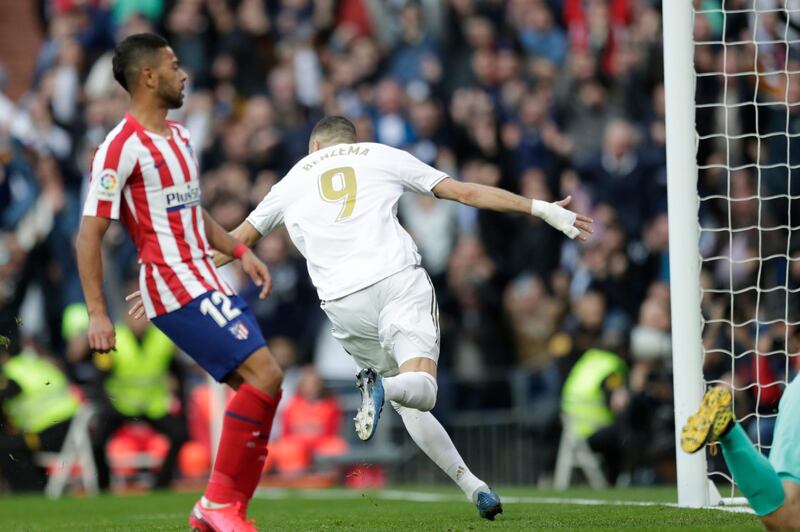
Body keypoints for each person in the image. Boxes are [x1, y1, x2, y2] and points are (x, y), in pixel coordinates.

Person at [132, 116, 593, 519]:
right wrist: (540, 208)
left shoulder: (291, 180)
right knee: (421, 388)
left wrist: (170, 278)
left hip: (343, 304)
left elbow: (237, 241)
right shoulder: (380, 154)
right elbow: (464, 191)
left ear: (315, 146)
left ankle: (472, 485)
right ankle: (385, 387)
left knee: (406, 398)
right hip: (395, 280)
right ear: (351, 140)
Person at [76, 33, 283, 531]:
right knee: (268, 376)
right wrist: (98, 314)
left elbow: (192, 210)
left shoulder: (184, 136)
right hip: (171, 282)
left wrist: (238, 248)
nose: (183, 72)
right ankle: (218, 505)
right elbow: (88, 235)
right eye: (172, 65)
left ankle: (219, 510)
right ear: (148, 76)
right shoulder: (119, 148)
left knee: (262, 389)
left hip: (205, 277)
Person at [682, 383, 800, 530]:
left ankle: (728, 429)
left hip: (795, 394)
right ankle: (728, 431)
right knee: (789, 520)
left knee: (784, 515)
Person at [0, 338, 80, 492]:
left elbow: (9, 393)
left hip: (52, 432)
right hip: (73, 424)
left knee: (7, 446)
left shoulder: (9, 373)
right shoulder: (32, 364)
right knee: (16, 443)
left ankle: (30, 491)